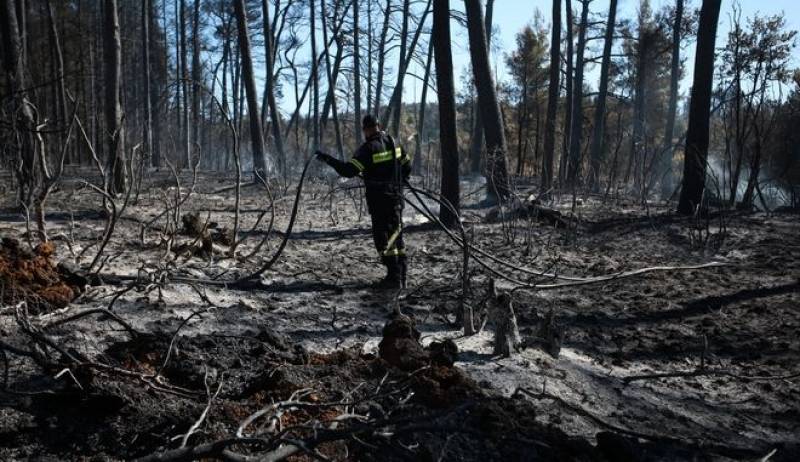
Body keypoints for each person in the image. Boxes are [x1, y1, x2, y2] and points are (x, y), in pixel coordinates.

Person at [316, 115, 411, 289]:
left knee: (383, 239)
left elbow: (348, 171)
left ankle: (393, 277)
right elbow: (407, 166)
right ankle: (402, 275)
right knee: (397, 236)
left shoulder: (368, 149)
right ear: (378, 125)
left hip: (380, 202)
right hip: (396, 198)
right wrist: (400, 181)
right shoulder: (394, 142)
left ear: (365, 129)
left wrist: (327, 159)